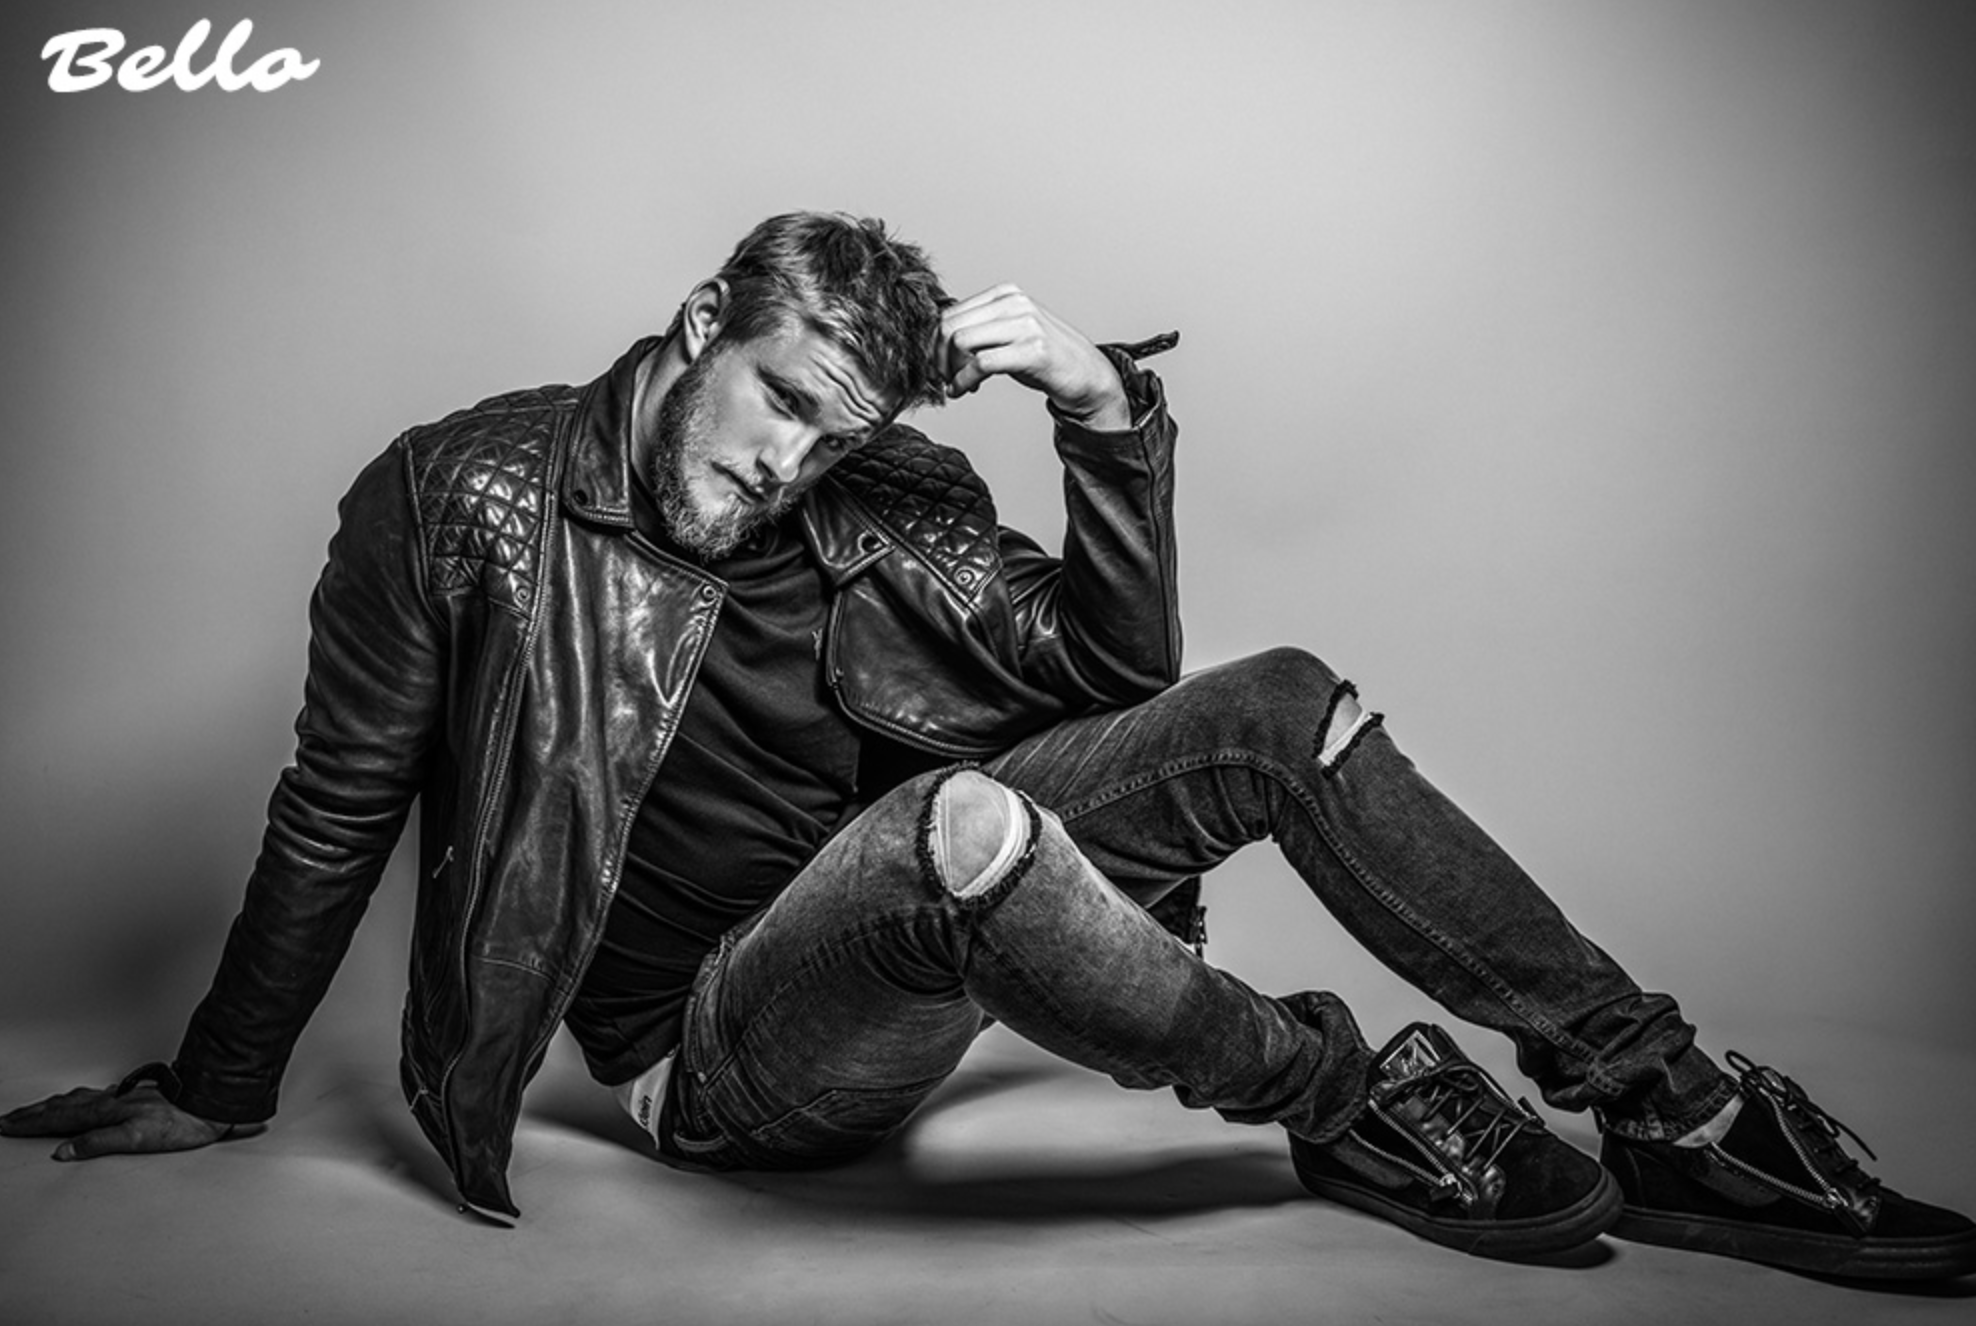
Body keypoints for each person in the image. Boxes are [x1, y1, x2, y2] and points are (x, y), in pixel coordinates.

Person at [3, 212, 1970, 1281]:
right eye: (777, 401)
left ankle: (1673, 1110)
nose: (788, 461)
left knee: (1277, 700)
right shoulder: (464, 499)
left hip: (933, 893)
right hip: (715, 1048)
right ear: (698, 322)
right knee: (958, 824)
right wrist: (223, 1082)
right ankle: (1337, 1093)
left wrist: (1106, 416)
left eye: (833, 436)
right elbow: (342, 800)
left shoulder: (886, 490)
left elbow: (1114, 678)